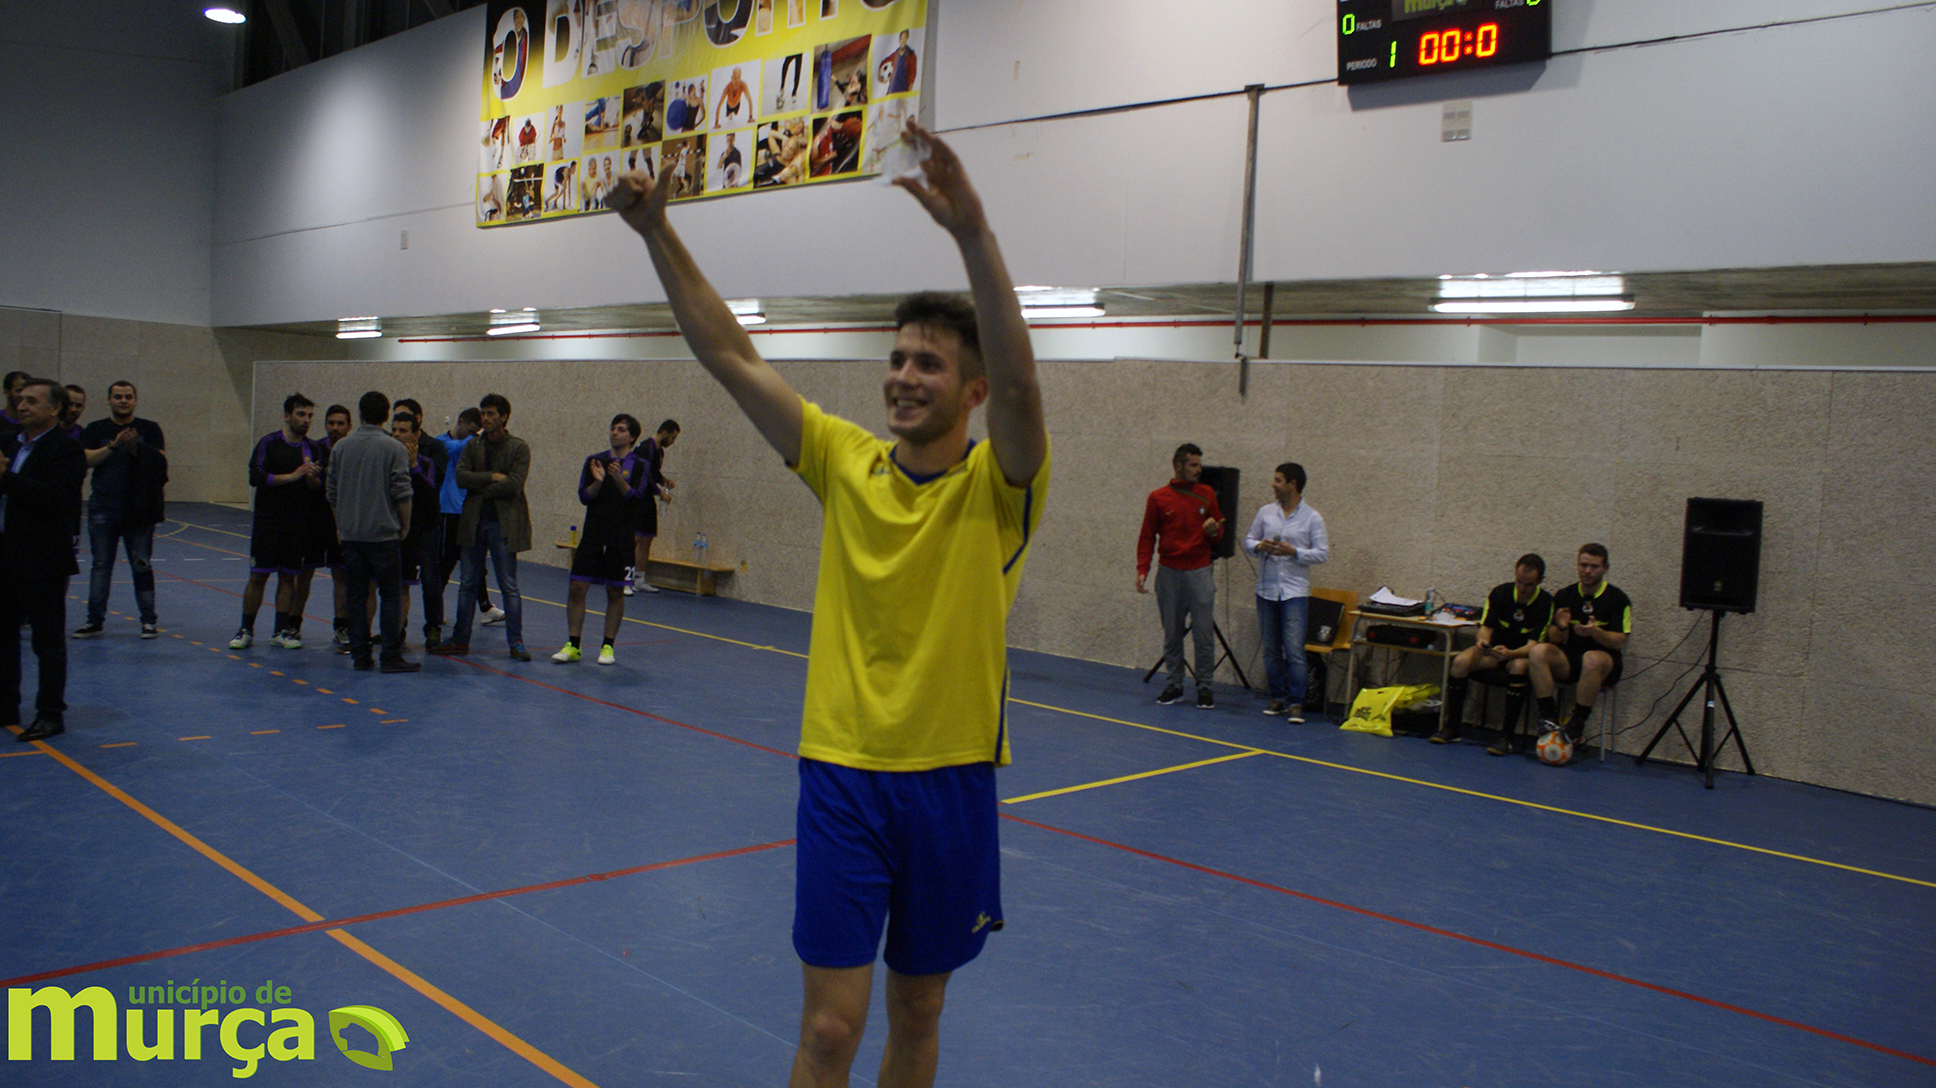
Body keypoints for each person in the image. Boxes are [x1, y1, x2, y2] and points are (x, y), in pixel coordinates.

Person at [613, 117, 1048, 1088]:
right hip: (844, 773)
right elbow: (731, 356)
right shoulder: (844, 459)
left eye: (928, 364)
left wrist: (972, 232)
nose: (903, 376)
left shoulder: (1000, 489)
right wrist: (656, 233)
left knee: (919, 1009)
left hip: (952, 780)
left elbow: (1025, 385)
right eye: (897, 359)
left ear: (971, 391)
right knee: (826, 1029)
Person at [2, 379, 85, 742]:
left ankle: (50, 713)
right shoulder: (10, 443)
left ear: (54, 409)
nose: (22, 406)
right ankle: (5, 705)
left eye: (32, 401)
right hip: (5, 552)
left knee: (47, 641)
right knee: (3, 635)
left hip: (42, 558)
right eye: (21, 400)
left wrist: (6, 478)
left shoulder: (65, 449)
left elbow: (56, 499)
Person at [432, 394, 532, 661]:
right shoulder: (473, 445)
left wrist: (482, 489)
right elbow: (461, 477)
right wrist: (490, 477)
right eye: (483, 413)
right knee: (467, 583)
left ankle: (516, 642)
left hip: (503, 524)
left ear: (504, 417)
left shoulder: (518, 448)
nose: (485, 418)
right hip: (473, 522)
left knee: (508, 585)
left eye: (490, 414)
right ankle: (459, 639)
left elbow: (514, 485)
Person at [327, 392, 418, 673]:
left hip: (352, 534)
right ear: (387, 415)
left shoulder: (341, 447)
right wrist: (405, 524)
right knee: (390, 596)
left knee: (356, 596)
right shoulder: (394, 448)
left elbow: (332, 491)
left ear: (360, 414)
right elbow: (402, 491)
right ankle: (390, 656)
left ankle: (360, 656)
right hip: (383, 535)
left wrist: (341, 524)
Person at [1427, 554, 1553, 749]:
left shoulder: (1545, 602)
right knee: (1460, 661)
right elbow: (1486, 628)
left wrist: (1511, 654)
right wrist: (1483, 642)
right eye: (1519, 582)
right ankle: (1452, 727)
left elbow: (1533, 645)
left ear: (1539, 581)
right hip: (1494, 652)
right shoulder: (1500, 593)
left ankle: (1506, 736)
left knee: (1519, 666)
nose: (1522, 588)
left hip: (1520, 655)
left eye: (1528, 585)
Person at [74, 380, 167, 640]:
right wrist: (113, 446)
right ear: (109, 400)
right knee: (101, 564)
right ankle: (94, 620)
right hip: (103, 505)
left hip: (139, 507)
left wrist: (136, 447)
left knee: (141, 564)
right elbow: (85, 459)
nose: (123, 401)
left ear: (135, 400)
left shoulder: (149, 429)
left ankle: (148, 621)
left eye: (128, 396)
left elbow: (160, 462)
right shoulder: (96, 429)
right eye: (118, 396)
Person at [233, 394, 326, 650]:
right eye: (301, 414)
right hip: (268, 523)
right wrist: (292, 476)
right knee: (258, 577)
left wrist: (311, 478)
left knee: (288, 578)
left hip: (296, 525)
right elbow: (256, 477)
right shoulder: (269, 443)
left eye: (309, 416)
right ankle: (245, 629)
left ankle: (280, 630)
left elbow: (317, 487)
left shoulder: (312, 449)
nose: (306, 420)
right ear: (287, 416)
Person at [1136, 443, 1224, 708]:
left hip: (1199, 571)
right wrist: (1142, 569)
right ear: (1178, 465)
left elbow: (1219, 530)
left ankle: (1205, 686)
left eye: (1199, 465)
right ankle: (1174, 684)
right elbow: (1147, 536)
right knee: (1172, 634)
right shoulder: (1158, 498)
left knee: (1203, 634)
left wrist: (1213, 532)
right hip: (1169, 573)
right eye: (1193, 465)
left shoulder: (1207, 494)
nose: (1198, 470)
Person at [555, 415, 647, 665]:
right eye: (613, 428)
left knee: (615, 591)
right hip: (593, 535)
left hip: (621, 538)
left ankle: (608, 646)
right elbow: (585, 497)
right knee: (577, 587)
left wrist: (618, 479)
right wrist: (598, 482)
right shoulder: (595, 461)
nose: (614, 433)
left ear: (632, 437)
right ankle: (573, 645)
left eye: (621, 430)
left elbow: (636, 499)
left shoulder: (640, 465)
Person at [1242, 462, 1329, 721]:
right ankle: (1277, 697)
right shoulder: (1266, 513)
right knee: (1270, 648)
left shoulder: (1312, 517)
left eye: (1278, 480)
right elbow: (1248, 540)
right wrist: (1260, 546)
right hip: (1266, 589)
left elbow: (1322, 553)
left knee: (1294, 650)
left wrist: (1295, 552)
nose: (1273, 485)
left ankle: (1296, 702)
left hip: (1294, 592)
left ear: (1293, 484)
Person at [1526, 543, 1632, 750]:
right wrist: (1561, 626)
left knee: (1591, 658)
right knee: (1538, 651)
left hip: (1604, 663)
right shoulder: (1565, 595)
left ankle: (1577, 721)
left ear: (1605, 568)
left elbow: (1619, 641)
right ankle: (1548, 714)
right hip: (1572, 658)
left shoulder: (1618, 599)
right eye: (1583, 565)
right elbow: (1554, 638)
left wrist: (1595, 632)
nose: (1588, 571)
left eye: (1594, 567)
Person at [431, 408, 505, 629]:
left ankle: (485, 607)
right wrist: (478, 438)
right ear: (460, 422)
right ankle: (435, 608)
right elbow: (454, 448)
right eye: (471, 431)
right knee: (445, 562)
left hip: (468, 509)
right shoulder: (441, 442)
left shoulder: (471, 444)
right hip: (448, 510)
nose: (473, 436)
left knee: (475, 561)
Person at [390, 411, 443, 646]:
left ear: (415, 434)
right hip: (389, 531)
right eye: (394, 430)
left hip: (419, 531)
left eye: (402, 431)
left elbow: (429, 494)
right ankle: (390, 633)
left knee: (424, 581)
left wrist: (413, 467)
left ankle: (431, 628)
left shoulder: (427, 462)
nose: (396, 435)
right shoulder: (385, 459)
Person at [628, 418, 680, 595]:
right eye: (672, 438)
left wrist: (664, 481)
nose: (672, 442)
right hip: (637, 497)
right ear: (664, 432)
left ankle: (639, 578)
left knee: (647, 538)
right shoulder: (645, 448)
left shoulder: (659, 452)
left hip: (647, 498)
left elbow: (654, 473)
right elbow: (643, 476)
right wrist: (659, 492)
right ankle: (625, 577)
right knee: (635, 538)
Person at [319, 404, 355, 650]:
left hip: (349, 521)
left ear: (349, 426)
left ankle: (347, 626)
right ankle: (290, 626)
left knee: (347, 575)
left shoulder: (354, 450)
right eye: (331, 423)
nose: (335, 428)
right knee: (304, 574)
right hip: (319, 521)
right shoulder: (315, 449)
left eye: (340, 423)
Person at [884, 30, 917, 94]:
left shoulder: (911, 55)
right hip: (893, 88)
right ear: (899, 40)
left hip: (904, 88)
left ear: (907, 38)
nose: (902, 40)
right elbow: (885, 63)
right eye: (901, 38)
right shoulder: (894, 55)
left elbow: (913, 72)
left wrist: (910, 87)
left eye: (904, 38)